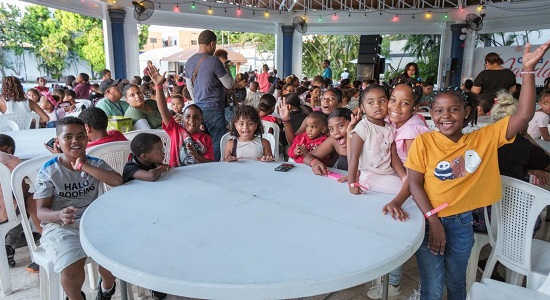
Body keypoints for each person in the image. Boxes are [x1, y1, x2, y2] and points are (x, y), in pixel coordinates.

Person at [404, 41, 550, 300]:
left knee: (457, 285)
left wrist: (527, 71)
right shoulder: (424, 141)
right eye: (438, 110)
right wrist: (433, 221)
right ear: (431, 113)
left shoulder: (484, 138)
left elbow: (525, 114)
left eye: (453, 109)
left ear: (467, 112)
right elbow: (414, 183)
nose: (445, 116)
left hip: (462, 223)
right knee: (433, 289)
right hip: (429, 221)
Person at [35, 117, 123, 300]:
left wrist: (84, 166)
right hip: (60, 226)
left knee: (111, 260)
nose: (75, 141)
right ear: (58, 142)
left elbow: (117, 181)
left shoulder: (95, 163)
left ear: (87, 139)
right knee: (72, 268)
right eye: (68, 137)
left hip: (94, 221)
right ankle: (76, 297)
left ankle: (106, 290)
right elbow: (41, 211)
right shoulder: (49, 171)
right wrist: (59, 214)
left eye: (81, 136)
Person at [366, 81, 429, 299]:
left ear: (414, 107)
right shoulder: (396, 122)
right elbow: (393, 153)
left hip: (418, 187)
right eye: (393, 100)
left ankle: (393, 283)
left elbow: (416, 175)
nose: (395, 107)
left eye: (405, 103)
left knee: (394, 229)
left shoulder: (412, 130)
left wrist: (398, 199)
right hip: (403, 180)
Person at [347, 85, 407, 195]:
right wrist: (352, 183)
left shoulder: (390, 128)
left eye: (382, 101)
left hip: (388, 173)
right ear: (363, 108)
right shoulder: (363, 127)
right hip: (370, 176)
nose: (377, 106)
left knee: (411, 185)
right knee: (409, 191)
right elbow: (353, 157)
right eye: (371, 102)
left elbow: (394, 157)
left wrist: (404, 177)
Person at [150, 66, 214, 167]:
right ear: (182, 119)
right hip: (177, 174)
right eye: (187, 117)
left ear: (202, 121)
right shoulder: (176, 130)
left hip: (199, 175)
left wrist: (196, 156)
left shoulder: (206, 139)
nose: (191, 120)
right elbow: (163, 110)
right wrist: (158, 86)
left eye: (196, 117)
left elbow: (210, 163)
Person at [185, 30, 234, 161]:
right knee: (217, 142)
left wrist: (198, 102)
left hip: (197, 109)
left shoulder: (189, 62)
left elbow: (190, 88)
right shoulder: (214, 61)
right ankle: (215, 169)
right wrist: (226, 68)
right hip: (214, 108)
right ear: (212, 43)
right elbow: (229, 84)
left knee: (201, 142)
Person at [0, 134, 42, 272]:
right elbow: (22, 190)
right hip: (4, 214)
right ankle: (9, 245)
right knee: (25, 200)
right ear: (9, 149)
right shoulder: (11, 161)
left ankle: (18, 237)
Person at [304, 108, 355, 173]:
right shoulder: (333, 141)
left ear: (354, 123)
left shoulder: (364, 140)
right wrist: (314, 162)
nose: (335, 132)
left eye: (340, 126)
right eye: (331, 129)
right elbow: (308, 157)